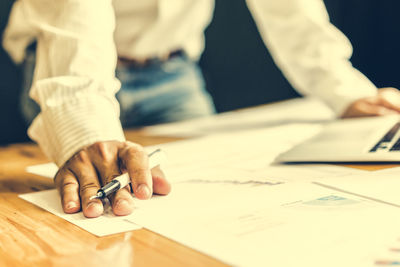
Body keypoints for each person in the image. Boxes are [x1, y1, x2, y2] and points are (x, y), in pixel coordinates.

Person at [3, 0, 400, 218]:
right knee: (78, 194)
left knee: (185, 201)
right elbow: (75, 15)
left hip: (173, 72)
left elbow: (289, 9)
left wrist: (342, 88)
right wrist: (84, 124)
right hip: (64, 68)